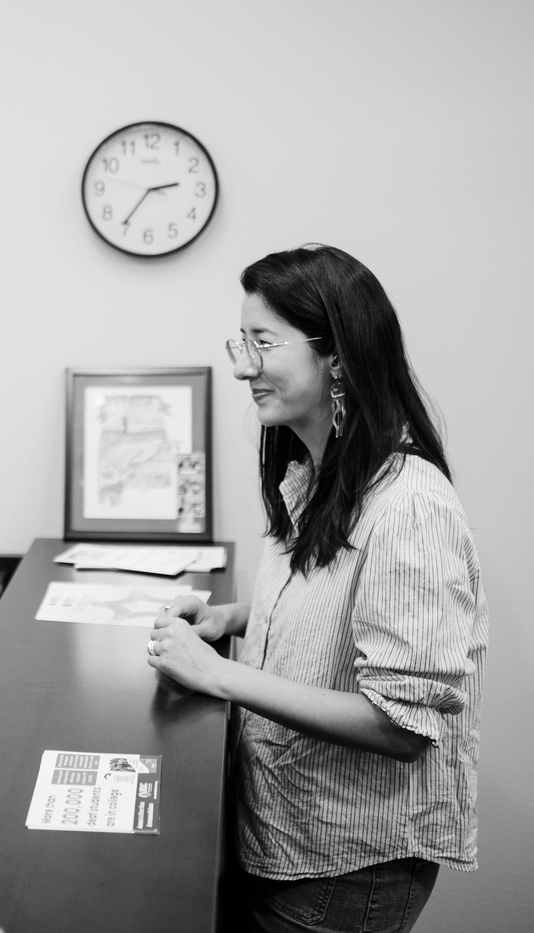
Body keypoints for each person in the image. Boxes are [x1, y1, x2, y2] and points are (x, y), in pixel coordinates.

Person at [146, 246, 487, 933]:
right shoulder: (312, 474)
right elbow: (336, 608)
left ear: (336, 356)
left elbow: (401, 723)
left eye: (263, 342)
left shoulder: (410, 507)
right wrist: (230, 619)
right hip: (286, 831)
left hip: (343, 865)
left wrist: (216, 674)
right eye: (241, 342)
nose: (243, 367)